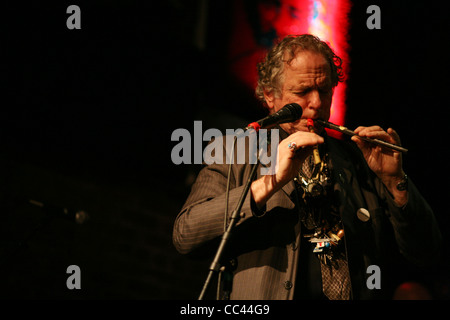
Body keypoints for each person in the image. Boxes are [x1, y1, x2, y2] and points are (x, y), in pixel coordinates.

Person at [172, 34, 442, 300]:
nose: (316, 103)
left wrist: (395, 181)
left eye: (324, 91)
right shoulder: (237, 151)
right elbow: (186, 236)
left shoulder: (360, 159)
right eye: (302, 92)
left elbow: (426, 252)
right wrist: (270, 182)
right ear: (270, 96)